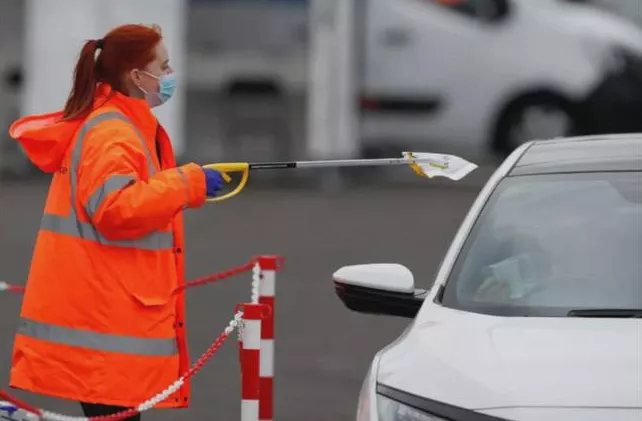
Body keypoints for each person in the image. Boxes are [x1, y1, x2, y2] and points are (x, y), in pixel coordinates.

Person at [7, 24, 225, 420]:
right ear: (137, 76)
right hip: (106, 325)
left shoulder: (119, 126)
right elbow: (116, 209)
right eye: (165, 65)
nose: (170, 74)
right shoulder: (113, 133)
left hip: (106, 318)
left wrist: (184, 184)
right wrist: (188, 183)